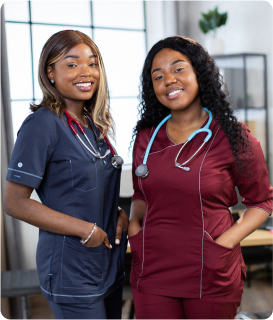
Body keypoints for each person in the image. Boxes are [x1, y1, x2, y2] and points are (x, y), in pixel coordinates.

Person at [128, 36, 273, 320]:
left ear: (199, 73)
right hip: (153, 267)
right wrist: (135, 226)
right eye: (158, 76)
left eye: (178, 69)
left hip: (211, 269)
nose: (168, 79)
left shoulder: (234, 136)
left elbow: (261, 202)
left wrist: (226, 242)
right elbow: (141, 194)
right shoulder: (147, 137)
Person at [4, 30, 128, 320]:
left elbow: (85, 187)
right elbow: (15, 203)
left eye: (93, 63)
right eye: (72, 64)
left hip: (107, 262)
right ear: (50, 72)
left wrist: (118, 211)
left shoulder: (93, 123)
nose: (86, 72)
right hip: (71, 267)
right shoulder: (41, 124)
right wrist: (87, 230)